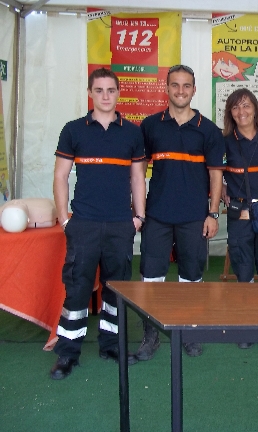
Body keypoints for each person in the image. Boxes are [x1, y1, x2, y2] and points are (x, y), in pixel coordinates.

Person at [50, 68, 147, 380]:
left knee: (116, 290)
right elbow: (61, 176)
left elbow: (138, 178)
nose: (106, 96)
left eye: (111, 90)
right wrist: (64, 218)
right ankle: (68, 353)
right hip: (84, 224)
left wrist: (138, 217)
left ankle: (111, 345)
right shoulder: (73, 130)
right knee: (77, 289)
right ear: (90, 93)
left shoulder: (132, 133)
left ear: (119, 93)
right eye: (99, 90)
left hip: (120, 225)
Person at [135, 65, 225, 361]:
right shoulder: (150, 126)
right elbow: (137, 171)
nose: (181, 91)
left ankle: (189, 332)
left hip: (194, 217)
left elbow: (216, 175)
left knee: (191, 278)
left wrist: (213, 214)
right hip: (157, 215)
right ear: (167, 88)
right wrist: (139, 211)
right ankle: (151, 336)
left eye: (186, 85)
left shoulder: (208, 129)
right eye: (175, 85)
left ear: (194, 90)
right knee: (151, 278)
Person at [222, 88, 258, 348]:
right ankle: (244, 325)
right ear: (230, 113)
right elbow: (214, 173)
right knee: (243, 269)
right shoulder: (225, 141)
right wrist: (222, 191)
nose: (241, 111)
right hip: (239, 213)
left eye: (246, 105)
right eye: (235, 107)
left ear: (255, 108)